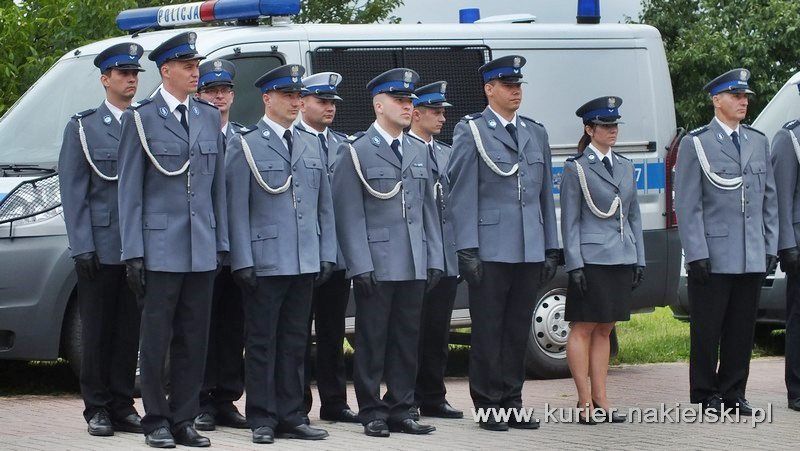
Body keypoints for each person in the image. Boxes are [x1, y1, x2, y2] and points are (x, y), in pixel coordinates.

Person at [117, 31, 229, 448]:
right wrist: (133, 251)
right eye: (188, 66)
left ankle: (185, 418)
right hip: (160, 247)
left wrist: (221, 242)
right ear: (166, 71)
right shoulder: (141, 118)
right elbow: (129, 189)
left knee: (193, 337)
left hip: (201, 245)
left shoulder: (205, 115)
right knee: (157, 337)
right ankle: (156, 420)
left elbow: (216, 185)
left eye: (196, 65)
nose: (195, 72)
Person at [448, 55, 559, 431]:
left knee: (516, 330)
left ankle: (512, 401)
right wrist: (467, 248)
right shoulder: (472, 131)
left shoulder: (535, 132)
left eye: (519, 86)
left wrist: (550, 246)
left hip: (528, 247)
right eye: (508, 86)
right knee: (489, 329)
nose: (516, 92)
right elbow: (461, 194)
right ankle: (489, 404)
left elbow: (546, 194)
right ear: (489, 89)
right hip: (491, 248)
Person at [225, 63, 335, 444]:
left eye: (297, 96)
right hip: (265, 260)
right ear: (267, 98)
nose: (294, 102)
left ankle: (292, 414)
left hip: (303, 257)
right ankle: (262, 417)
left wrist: (325, 253)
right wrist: (242, 258)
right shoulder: (246, 144)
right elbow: (236, 208)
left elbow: (324, 206)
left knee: (295, 342)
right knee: (261, 343)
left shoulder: (308, 142)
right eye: (287, 95)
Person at [333, 68, 444, 437]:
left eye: (410, 100)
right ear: (379, 105)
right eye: (400, 100)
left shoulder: (416, 149)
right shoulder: (357, 149)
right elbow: (349, 214)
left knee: (406, 338)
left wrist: (434, 257)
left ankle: (402, 406)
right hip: (378, 263)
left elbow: (427, 209)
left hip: (413, 259)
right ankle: (372, 410)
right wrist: (359, 264)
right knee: (372, 340)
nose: (408, 107)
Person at [674, 68, 778, 416]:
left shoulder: (757, 141)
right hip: (714, 253)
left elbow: (769, 200)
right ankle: (705, 393)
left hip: (750, 253)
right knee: (707, 329)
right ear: (717, 100)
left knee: (740, 329)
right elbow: (688, 204)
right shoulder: (697, 143)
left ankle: (734, 391)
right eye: (736, 96)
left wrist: (769, 246)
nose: (743, 101)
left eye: (745, 96)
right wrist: (696, 252)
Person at [58, 42, 145, 437]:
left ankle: (123, 404)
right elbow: (73, 190)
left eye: (135, 74)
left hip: (138, 246)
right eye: (123, 74)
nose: (131, 80)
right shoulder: (84, 127)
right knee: (96, 330)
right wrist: (82, 245)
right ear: (105, 79)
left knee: (130, 330)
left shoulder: (146, 122)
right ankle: (96, 407)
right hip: (101, 243)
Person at [560, 96, 645, 424]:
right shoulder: (577, 168)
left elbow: (633, 215)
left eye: (614, 125)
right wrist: (575, 263)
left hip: (621, 255)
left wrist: (639, 258)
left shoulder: (625, 165)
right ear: (589, 129)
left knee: (606, 327)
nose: (612, 131)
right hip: (592, 258)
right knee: (584, 327)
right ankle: (583, 402)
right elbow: (570, 220)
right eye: (605, 126)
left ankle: (602, 398)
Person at [296, 71, 360, 424]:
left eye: (332, 102)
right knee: (298, 334)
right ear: (302, 102)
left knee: (334, 332)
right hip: (304, 252)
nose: (329, 108)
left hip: (335, 255)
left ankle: (335, 402)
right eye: (322, 101)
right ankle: (299, 404)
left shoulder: (343, 144)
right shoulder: (294, 140)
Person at [193, 58, 248, 431]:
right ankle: (200, 399)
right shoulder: (194, 134)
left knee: (234, 326)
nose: (219, 97)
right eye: (211, 91)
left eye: (225, 90)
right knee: (201, 325)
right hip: (203, 244)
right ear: (199, 95)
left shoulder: (246, 138)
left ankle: (227, 398)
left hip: (240, 248)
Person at [407, 81, 463, 420]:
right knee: (411, 330)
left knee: (439, 331)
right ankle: (407, 395)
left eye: (443, 112)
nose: (442, 118)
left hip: (445, 254)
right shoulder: (406, 150)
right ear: (416, 113)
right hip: (417, 255)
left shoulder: (446, 153)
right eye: (435, 112)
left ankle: (433, 395)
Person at [768, 97, 800, 413]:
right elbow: (781, 196)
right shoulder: (790, 138)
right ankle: (798, 389)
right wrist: (786, 245)